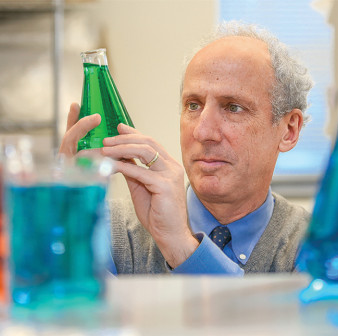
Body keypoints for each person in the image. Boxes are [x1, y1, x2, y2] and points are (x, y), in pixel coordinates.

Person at [59, 21, 313, 275]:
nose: (202, 132)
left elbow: (255, 315)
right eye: (193, 105)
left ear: (289, 130)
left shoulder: (315, 245)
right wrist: (59, 214)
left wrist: (181, 247)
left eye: (233, 107)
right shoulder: (109, 229)